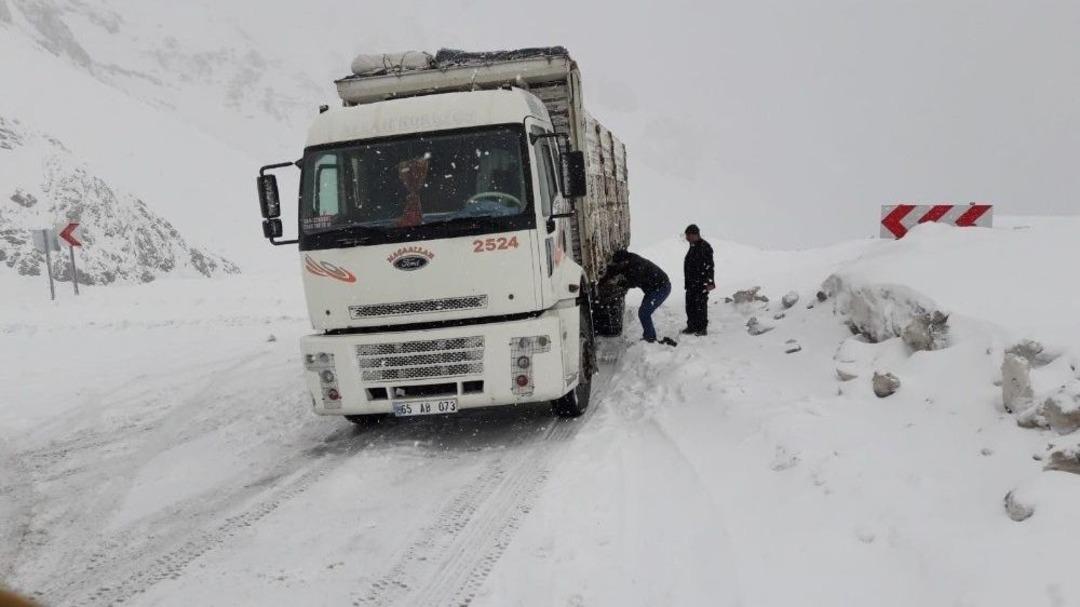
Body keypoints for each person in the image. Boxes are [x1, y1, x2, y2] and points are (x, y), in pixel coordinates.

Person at [601, 250, 676, 345]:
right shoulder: (626, 261)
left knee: (644, 312)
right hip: (652, 289)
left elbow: (632, 282)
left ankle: (650, 339)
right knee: (643, 312)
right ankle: (649, 337)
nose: (618, 266)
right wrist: (603, 280)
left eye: (619, 264)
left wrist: (617, 283)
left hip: (661, 288)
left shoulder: (637, 265)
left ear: (625, 261)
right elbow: (615, 270)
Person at [681, 224, 715, 336]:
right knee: (690, 305)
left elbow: (710, 266)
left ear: (694, 234)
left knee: (700, 306)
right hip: (691, 283)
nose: (686, 238)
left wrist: (709, 282)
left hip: (701, 283)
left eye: (688, 235)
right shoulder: (693, 246)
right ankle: (692, 326)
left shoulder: (705, 247)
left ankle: (702, 328)